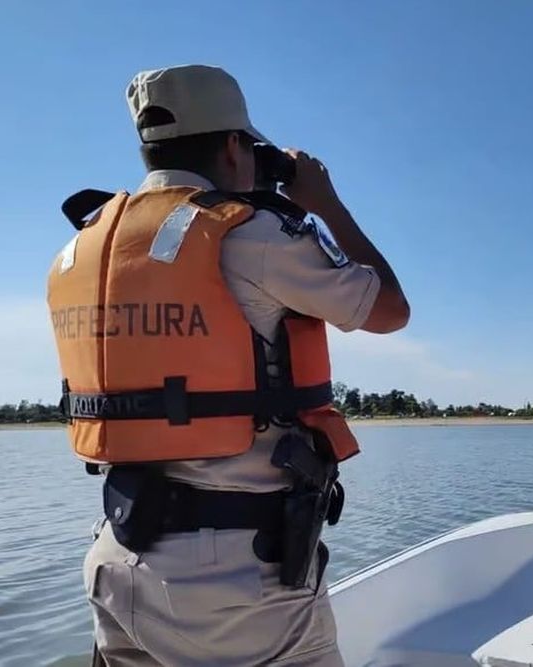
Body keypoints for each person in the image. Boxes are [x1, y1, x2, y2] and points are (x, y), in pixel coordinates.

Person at [46, 64, 409, 666]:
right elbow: (390, 309)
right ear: (238, 145)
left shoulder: (81, 248)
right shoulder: (250, 236)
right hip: (233, 588)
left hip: (118, 558)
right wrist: (324, 203)